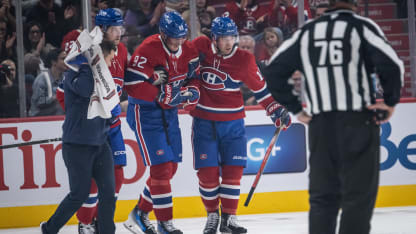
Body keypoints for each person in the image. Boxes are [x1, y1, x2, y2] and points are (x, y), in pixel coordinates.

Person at [263, 0, 404, 233]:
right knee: (357, 197)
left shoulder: (308, 31)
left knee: (322, 198)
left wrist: (297, 109)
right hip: (358, 121)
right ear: (354, 4)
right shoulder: (362, 26)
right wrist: (389, 102)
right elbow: (393, 66)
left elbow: (274, 71)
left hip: (321, 124)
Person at [190, 17, 291, 234]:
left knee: (232, 173)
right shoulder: (200, 47)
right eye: (223, 38)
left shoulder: (244, 59)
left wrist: (276, 111)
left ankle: (229, 218)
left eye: (231, 37)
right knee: (207, 175)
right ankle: (212, 215)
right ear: (214, 38)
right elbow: (180, 63)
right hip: (204, 123)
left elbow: (261, 90)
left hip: (233, 124)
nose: (228, 42)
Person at [123, 11, 200, 234]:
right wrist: (158, 94)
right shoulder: (147, 49)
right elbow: (131, 84)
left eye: (181, 37)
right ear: (162, 34)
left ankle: (139, 213)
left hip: (170, 113)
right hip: (145, 112)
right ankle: (165, 224)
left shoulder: (189, 49)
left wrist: (192, 91)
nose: (177, 42)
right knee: (161, 167)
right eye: (172, 38)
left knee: (171, 168)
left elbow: (194, 76)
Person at [40, 40, 118, 234]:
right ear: (98, 58)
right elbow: (84, 90)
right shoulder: (73, 74)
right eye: (109, 57)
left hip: (100, 144)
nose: (111, 62)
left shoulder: (103, 77)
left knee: (109, 193)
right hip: (77, 146)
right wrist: (86, 66)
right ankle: (49, 229)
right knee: (79, 194)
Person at [75, 8, 129, 234]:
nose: (120, 33)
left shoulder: (123, 49)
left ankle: (100, 220)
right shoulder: (86, 51)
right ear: (104, 29)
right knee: (93, 180)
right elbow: (65, 91)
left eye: (121, 28)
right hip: (93, 129)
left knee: (117, 177)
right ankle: (85, 221)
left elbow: (132, 77)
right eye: (116, 28)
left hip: (113, 127)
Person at [29, 48, 66, 116]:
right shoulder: (42, 79)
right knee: (60, 106)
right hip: (38, 116)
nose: (66, 61)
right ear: (53, 62)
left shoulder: (66, 78)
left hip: (54, 112)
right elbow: (38, 102)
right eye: (63, 59)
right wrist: (55, 98)